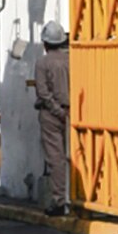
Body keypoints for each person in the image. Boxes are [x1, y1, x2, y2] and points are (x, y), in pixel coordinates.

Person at [35, 21, 71, 216]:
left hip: (51, 114)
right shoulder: (71, 60)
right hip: (73, 113)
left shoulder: (43, 62)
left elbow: (43, 92)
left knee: (56, 158)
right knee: (78, 156)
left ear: (45, 43)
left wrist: (57, 111)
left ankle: (59, 200)